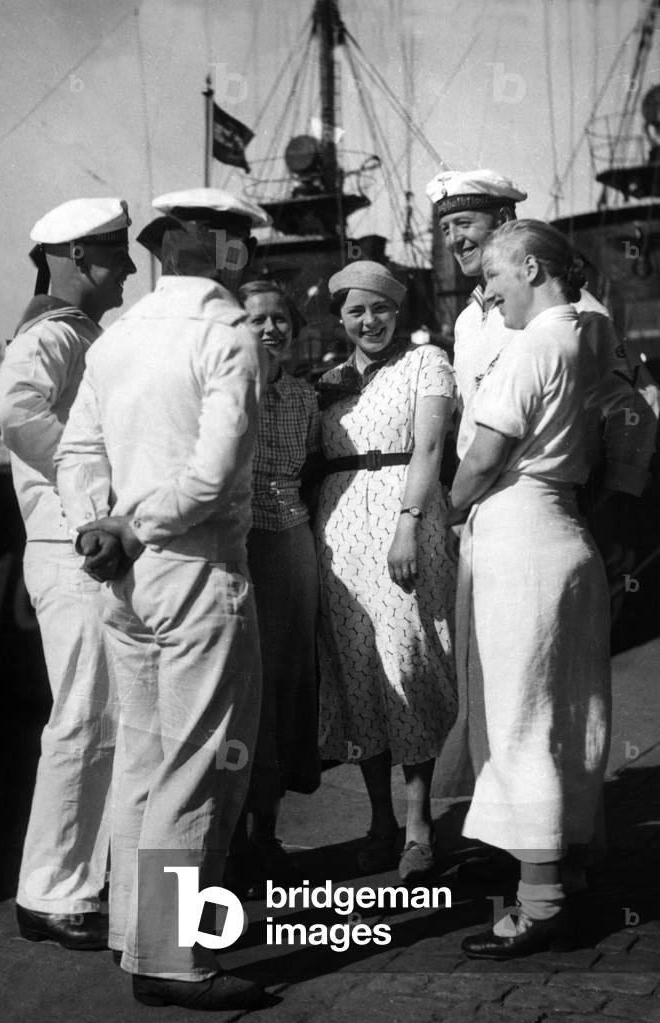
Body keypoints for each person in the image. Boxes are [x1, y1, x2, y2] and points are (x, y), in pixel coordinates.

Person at [55, 188, 271, 1011]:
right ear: (228, 252)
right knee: (200, 762)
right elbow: (213, 476)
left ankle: (133, 936)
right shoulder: (226, 335)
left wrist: (95, 531)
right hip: (195, 565)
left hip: (120, 575)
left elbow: (77, 451)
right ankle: (173, 959)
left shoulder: (117, 339)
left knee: (142, 758)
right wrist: (138, 527)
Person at [448, 219, 612, 958]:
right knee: (570, 713)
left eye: (497, 276)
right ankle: (569, 879)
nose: (487, 292)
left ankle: (540, 902)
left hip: (518, 538)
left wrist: (440, 509)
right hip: (569, 535)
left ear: (537, 269)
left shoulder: (532, 344)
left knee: (519, 716)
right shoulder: (591, 336)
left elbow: (483, 458)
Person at [0, 197, 136, 950]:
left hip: (82, 549)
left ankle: (82, 879)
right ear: (78, 256)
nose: (130, 268)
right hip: (70, 547)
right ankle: (50, 891)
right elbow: (12, 411)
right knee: (83, 715)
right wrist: (92, 494)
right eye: (116, 256)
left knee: (101, 715)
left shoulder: (77, 334)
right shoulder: (50, 334)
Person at [426, 168, 658, 559]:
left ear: (502, 220)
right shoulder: (468, 321)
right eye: (446, 228)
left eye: (464, 224)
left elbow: (636, 401)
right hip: (484, 508)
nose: (454, 240)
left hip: (554, 504)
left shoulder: (569, 306)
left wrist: (616, 500)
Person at [314, 260, 457, 881]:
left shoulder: (427, 363)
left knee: (410, 657)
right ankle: (380, 820)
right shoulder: (328, 382)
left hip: (406, 515)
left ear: (398, 312)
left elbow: (429, 447)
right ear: (341, 319)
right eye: (356, 311)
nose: (369, 321)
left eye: (380, 309)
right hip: (338, 531)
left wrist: (407, 521)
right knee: (358, 669)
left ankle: (420, 824)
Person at [225, 279, 321, 895]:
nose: (270, 328)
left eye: (280, 318)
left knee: (285, 683)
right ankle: (228, 840)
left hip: (289, 547)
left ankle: (266, 833)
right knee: (236, 691)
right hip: (234, 545)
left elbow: (310, 473)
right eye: (256, 318)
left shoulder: (305, 399)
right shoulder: (219, 388)